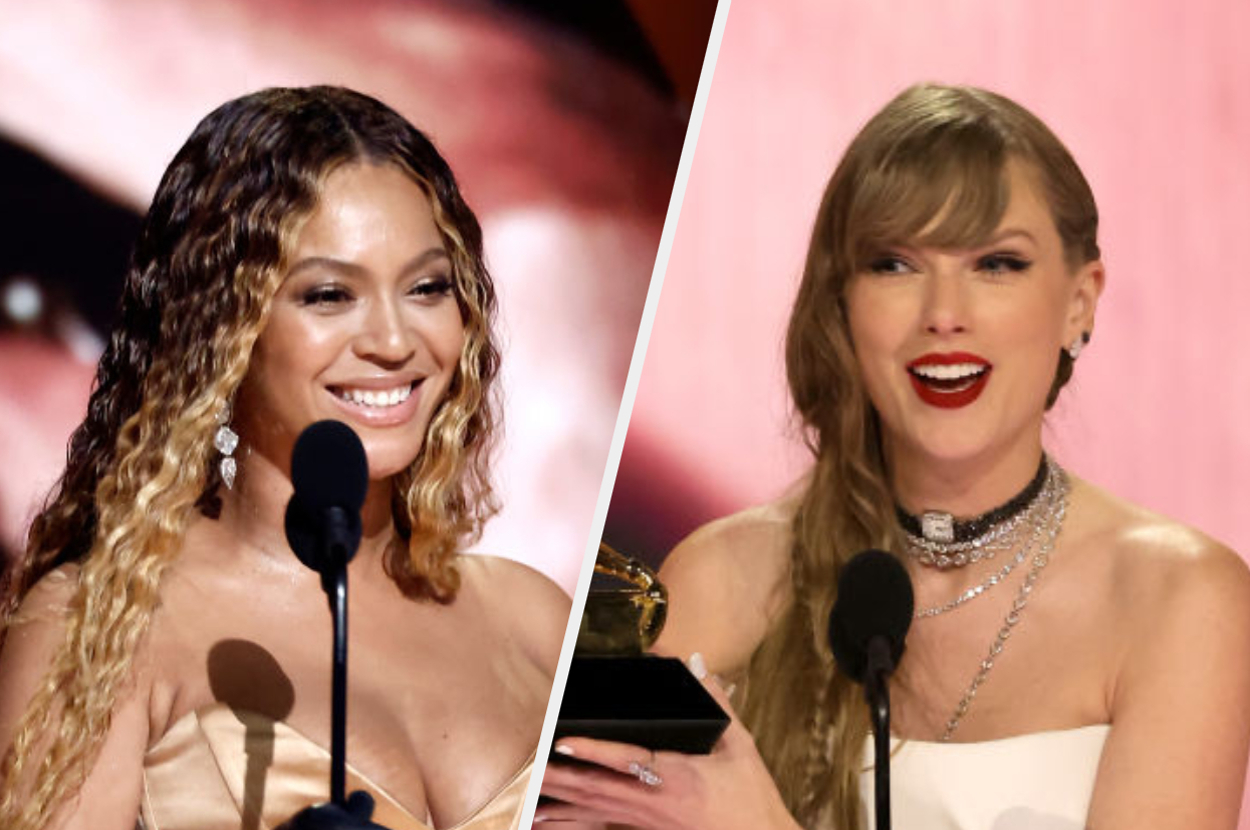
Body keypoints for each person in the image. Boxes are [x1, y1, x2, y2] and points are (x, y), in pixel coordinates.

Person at [538, 83, 1250, 829]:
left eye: (997, 264)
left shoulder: (1181, 599)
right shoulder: (722, 579)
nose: (944, 314)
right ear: (840, 302)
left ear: (1080, 302)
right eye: (894, 265)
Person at [0, 86, 568, 830]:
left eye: (427, 287)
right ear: (221, 333)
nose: (394, 341)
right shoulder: (99, 627)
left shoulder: (535, 620)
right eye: (330, 295)